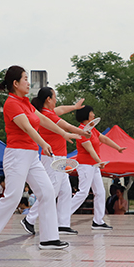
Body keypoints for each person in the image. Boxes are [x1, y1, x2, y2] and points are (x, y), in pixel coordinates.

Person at [0, 66, 80, 251]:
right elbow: (27, 128)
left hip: (31, 155)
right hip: (17, 155)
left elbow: (44, 121)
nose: (28, 82)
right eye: (25, 79)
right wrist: (44, 143)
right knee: (13, 197)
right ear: (15, 83)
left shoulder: (26, 103)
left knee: (47, 192)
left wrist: (64, 133)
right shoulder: (11, 104)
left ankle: (49, 239)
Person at [24, 89, 87, 235]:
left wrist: (75, 107)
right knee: (50, 191)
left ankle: (62, 223)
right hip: (53, 157)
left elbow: (61, 109)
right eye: (55, 97)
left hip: (59, 157)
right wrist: (83, 132)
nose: (56, 100)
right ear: (48, 99)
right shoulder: (46, 115)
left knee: (65, 191)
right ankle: (30, 219)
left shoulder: (49, 112)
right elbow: (66, 126)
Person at [69, 105, 126, 230]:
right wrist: (99, 161)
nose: (94, 115)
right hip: (85, 166)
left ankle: (98, 221)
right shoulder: (81, 131)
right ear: (86, 115)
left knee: (100, 192)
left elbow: (104, 139)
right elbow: (89, 149)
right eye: (91, 112)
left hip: (94, 166)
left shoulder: (92, 129)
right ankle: (62, 217)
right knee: (83, 192)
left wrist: (117, 148)